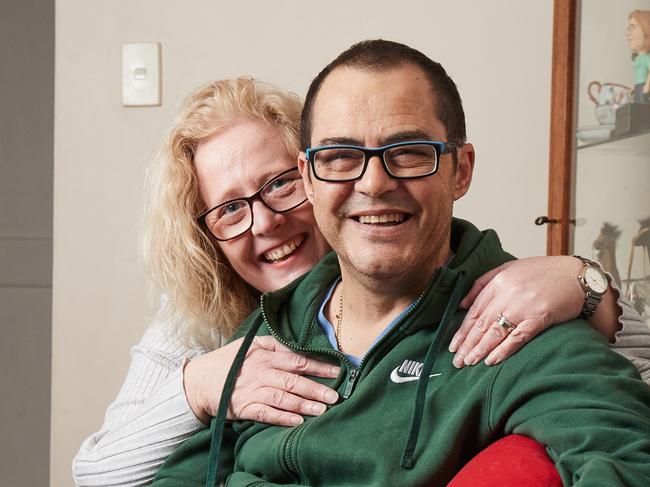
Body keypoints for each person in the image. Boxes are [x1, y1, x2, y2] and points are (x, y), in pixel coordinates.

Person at [73, 76, 650, 485]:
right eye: (229, 210)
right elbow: (103, 473)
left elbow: (619, 421)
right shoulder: (207, 331)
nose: (266, 221)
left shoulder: (500, 310)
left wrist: (584, 282)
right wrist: (199, 387)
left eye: (278, 185)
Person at [627, 10, 650, 103]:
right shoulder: (638, 59)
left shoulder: (646, 58)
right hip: (638, 86)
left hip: (643, 87)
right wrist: (634, 87)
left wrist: (647, 85)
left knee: (641, 107)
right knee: (637, 106)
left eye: (632, 27)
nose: (627, 33)